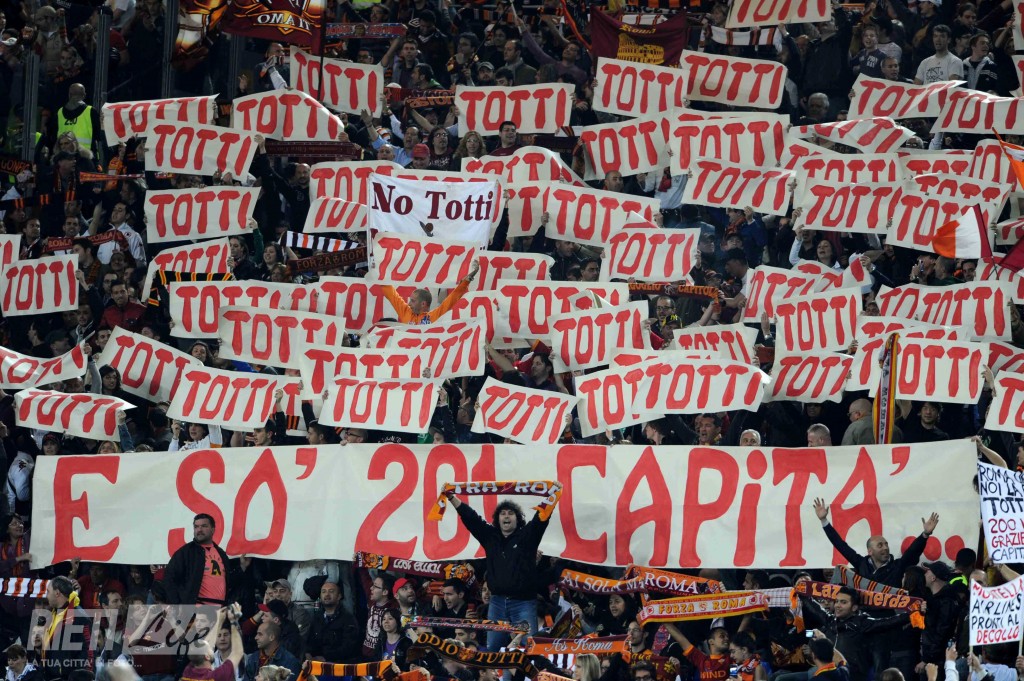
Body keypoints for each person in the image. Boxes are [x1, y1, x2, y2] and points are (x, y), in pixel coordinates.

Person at [445, 488, 561, 651]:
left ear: (517, 519)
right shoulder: (490, 537)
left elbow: (541, 518)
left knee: (528, 648)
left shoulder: (527, 537)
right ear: (497, 519)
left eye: (511, 513)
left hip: (524, 602)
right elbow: (471, 518)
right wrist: (451, 497)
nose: (506, 516)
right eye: (503, 513)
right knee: (494, 648)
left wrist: (553, 495)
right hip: (497, 603)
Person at [813, 498, 939, 587]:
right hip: (865, 615)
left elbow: (913, 552)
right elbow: (840, 545)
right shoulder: (861, 564)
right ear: (870, 551)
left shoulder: (897, 566)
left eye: (886, 544)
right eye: (880, 545)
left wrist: (925, 535)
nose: (885, 548)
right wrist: (824, 521)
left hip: (890, 615)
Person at [163, 513, 237, 606]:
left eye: (204, 526)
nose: (199, 530)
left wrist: (242, 567)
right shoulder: (185, 552)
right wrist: (178, 605)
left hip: (220, 608)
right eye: (196, 527)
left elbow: (229, 581)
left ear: (213, 529)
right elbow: (169, 578)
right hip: (196, 608)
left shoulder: (221, 553)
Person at [380, 262, 479, 324]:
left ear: (423, 304)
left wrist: (467, 280)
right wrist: (379, 271)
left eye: (413, 301)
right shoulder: (405, 311)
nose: (409, 304)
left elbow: (452, 299)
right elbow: (391, 294)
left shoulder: (434, 316)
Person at [38, 576, 94, 680]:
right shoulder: (53, 614)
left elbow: (87, 652)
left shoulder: (80, 617)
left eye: (48, 592)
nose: (46, 596)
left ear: (57, 593)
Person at [181, 604, 244, 681]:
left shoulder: (188, 672)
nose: (212, 646)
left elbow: (202, 648)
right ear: (207, 656)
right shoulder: (217, 676)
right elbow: (237, 652)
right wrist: (233, 621)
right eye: (210, 649)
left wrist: (219, 621)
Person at [305, 580, 360, 663]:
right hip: (317, 663)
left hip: (339, 664)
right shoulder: (317, 617)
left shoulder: (348, 619)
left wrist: (325, 658)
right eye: (324, 592)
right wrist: (308, 654)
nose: (327, 594)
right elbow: (310, 642)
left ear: (339, 596)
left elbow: (349, 648)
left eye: (331, 591)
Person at [662, 622, 733, 679]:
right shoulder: (701, 660)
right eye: (722, 636)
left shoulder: (731, 660)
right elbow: (681, 639)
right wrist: (664, 621)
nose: (726, 638)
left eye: (727, 636)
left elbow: (734, 677)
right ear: (711, 641)